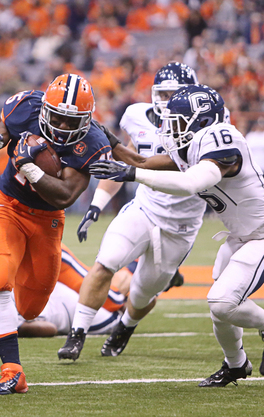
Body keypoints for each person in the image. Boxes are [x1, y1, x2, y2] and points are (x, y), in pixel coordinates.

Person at [89, 83, 264, 387]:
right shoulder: (191, 145)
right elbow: (142, 161)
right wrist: (112, 143)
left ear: (203, 121)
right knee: (220, 310)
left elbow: (191, 183)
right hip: (239, 236)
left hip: (260, 236)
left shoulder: (221, 138)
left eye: (179, 122)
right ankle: (236, 364)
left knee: (222, 302)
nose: (171, 130)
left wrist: (131, 175)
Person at [0, 73, 113, 395]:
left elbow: (64, 196)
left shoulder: (92, 142)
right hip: (7, 205)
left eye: (69, 119)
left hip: (47, 220)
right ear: (44, 108)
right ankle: (12, 371)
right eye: (57, 115)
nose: (61, 124)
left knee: (31, 307)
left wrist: (29, 167)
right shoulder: (27, 108)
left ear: (87, 119)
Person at [58, 62, 207, 362]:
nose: (167, 102)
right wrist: (96, 205)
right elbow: (128, 160)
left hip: (180, 225)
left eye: (174, 95)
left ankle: (126, 325)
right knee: (105, 261)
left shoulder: (204, 129)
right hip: (145, 207)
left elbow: (156, 171)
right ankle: (77, 334)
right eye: (162, 94)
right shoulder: (138, 117)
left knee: (142, 293)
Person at [0, 243, 134, 338]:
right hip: (48, 284)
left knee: (116, 300)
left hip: (49, 260)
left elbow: (48, 329)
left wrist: (9, 329)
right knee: (107, 291)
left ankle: (141, 274)